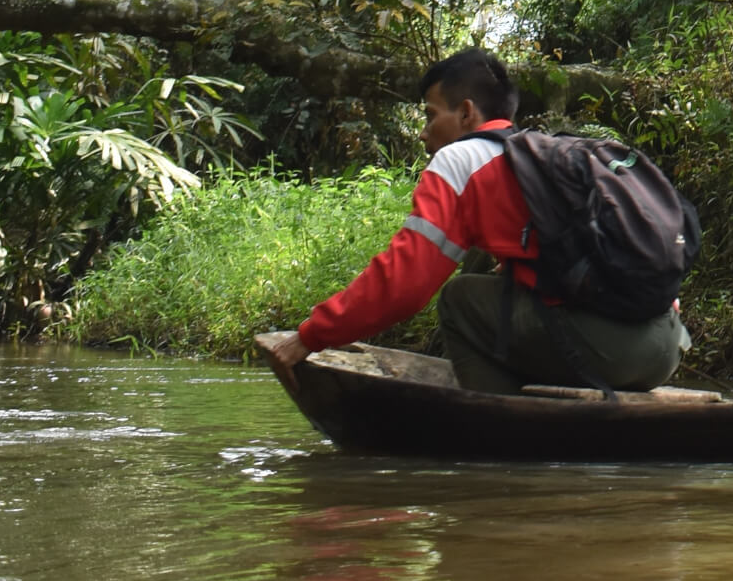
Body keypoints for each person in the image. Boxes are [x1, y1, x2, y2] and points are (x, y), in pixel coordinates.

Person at [263, 48, 686, 395]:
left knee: (460, 298)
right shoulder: (544, 161)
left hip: (610, 350)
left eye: (431, 116)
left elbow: (404, 285)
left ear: (466, 113)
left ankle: (498, 439)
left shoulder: (461, 159)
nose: (425, 134)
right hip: (665, 345)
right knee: (502, 286)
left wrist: (311, 335)